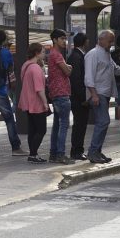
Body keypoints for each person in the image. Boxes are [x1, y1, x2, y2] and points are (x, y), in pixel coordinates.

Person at [84, 30, 120, 164]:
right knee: (103, 121)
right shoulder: (93, 54)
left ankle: (97, 151)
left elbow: (117, 70)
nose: (112, 44)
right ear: (101, 40)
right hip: (98, 93)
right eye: (110, 41)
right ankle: (93, 151)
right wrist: (94, 95)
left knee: (103, 122)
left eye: (112, 41)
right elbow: (88, 77)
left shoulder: (107, 55)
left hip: (105, 94)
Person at [0, 30, 26, 157]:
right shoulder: (6, 53)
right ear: (3, 41)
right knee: (9, 119)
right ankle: (15, 147)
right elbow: (10, 71)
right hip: (0, 91)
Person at [18, 42, 51, 163]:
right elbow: (39, 88)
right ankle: (33, 153)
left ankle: (33, 154)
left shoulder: (26, 65)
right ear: (37, 53)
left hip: (27, 101)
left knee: (32, 129)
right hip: (36, 103)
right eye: (43, 52)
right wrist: (45, 103)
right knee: (41, 130)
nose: (44, 54)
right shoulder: (35, 68)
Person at [47, 29, 74, 165]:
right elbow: (67, 72)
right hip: (62, 93)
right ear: (55, 40)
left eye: (65, 38)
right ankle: (61, 154)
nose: (65, 41)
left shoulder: (53, 54)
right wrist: (69, 68)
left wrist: (67, 67)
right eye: (62, 38)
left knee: (57, 125)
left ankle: (53, 154)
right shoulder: (56, 54)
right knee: (64, 125)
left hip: (56, 94)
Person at [67, 33, 90, 160]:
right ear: (84, 42)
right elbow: (76, 80)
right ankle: (76, 151)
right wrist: (84, 98)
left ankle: (78, 149)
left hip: (78, 97)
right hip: (78, 98)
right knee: (79, 125)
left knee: (80, 124)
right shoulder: (76, 57)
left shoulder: (78, 55)